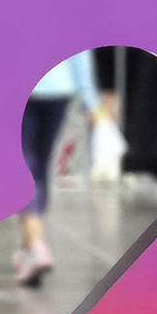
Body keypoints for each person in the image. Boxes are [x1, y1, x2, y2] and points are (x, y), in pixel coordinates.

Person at [14, 52, 100, 286]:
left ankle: (36, 245)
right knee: (41, 165)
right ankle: (27, 247)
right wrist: (89, 100)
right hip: (60, 88)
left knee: (24, 164)